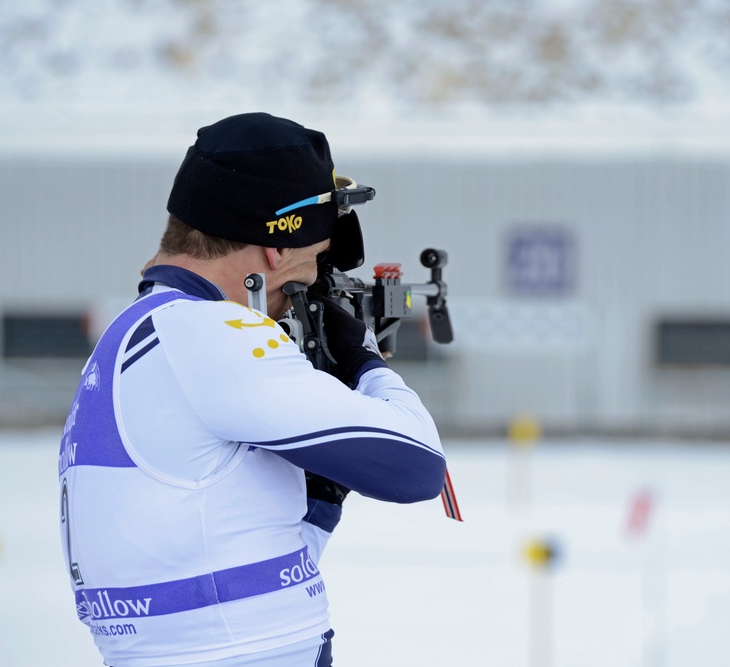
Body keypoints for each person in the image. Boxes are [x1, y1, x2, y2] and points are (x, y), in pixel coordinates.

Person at [57, 112, 447, 666]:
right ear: (275, 252)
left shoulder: (131, 336)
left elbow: (224, 551)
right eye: (313, 263)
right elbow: (419, 465)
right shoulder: (213, 331)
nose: (310, 288)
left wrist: (320, 495)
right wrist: (363, 361)